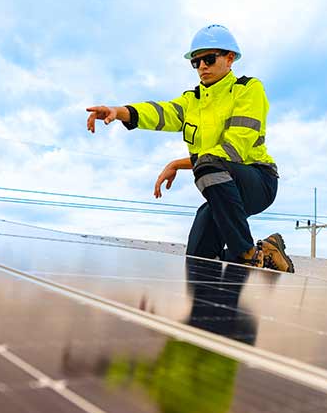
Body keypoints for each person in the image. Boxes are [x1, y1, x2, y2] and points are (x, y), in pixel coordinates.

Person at [85, 24, 294, 272]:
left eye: (209, 58)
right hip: (221, 187)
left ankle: (248, 253)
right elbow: (160, 112)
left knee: (208, 165)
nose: (202, 66)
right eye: (196, 62)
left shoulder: (248, 90)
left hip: (258, 180)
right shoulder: (191, 101)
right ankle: (267, 252)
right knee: (199, 259)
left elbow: (235, 147)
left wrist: (182, 164)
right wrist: (120, 112)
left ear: (229, 59)